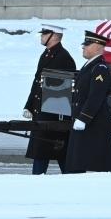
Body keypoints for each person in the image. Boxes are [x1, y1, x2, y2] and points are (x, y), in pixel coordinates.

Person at [23, 24, 76, 174]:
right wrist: (29, 106)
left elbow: (62, 91)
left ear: (55, 36)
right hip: (42, 110)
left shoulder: (63, 57)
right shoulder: (46, 54)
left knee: (55, 151)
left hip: (53, 114)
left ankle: (70, 179)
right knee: (42, 152)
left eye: (45, 34)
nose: (41, 36)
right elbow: (37, 82)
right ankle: (39, 178)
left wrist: (53, 117)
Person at [64, 30, 111, 173]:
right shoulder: (89, 66)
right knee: (78, 161)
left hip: (92, 122)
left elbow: (95, 96)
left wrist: (84, 118)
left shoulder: (100, 68)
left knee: (90, 163)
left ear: (99, 47)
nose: (83, 47)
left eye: (88, 44)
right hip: (83, 121)